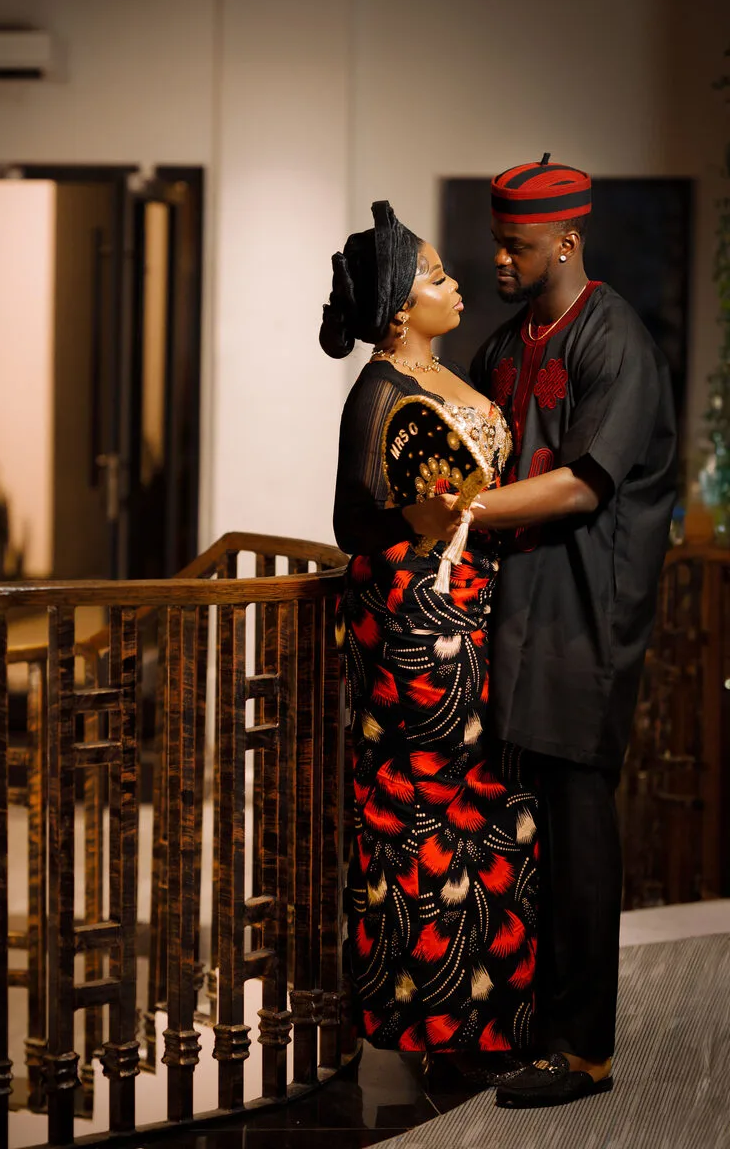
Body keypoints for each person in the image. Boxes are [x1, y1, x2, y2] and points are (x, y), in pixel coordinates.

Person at [466, 156, 678, 1108]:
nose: (500, 261)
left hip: (586, 615)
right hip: (517, 612)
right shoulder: (504, 347)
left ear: (567, 239)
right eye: (498, 244)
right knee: (527, 824)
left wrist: (465, 512)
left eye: (516, 246)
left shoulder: (614, 337)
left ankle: (583, 1049)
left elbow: (584, 483)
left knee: (579, 828)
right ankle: (522, 1016)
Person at [324, 201, 538, 1084]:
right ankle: (435, 1023)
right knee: (427, 811)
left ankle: (492, 1013)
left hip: (472, 607)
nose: (456, 285)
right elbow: (365, 525)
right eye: (439, 276)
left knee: (483, 806)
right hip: (422, 626)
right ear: (402, 310)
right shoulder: (382, 393)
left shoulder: (454, 377)